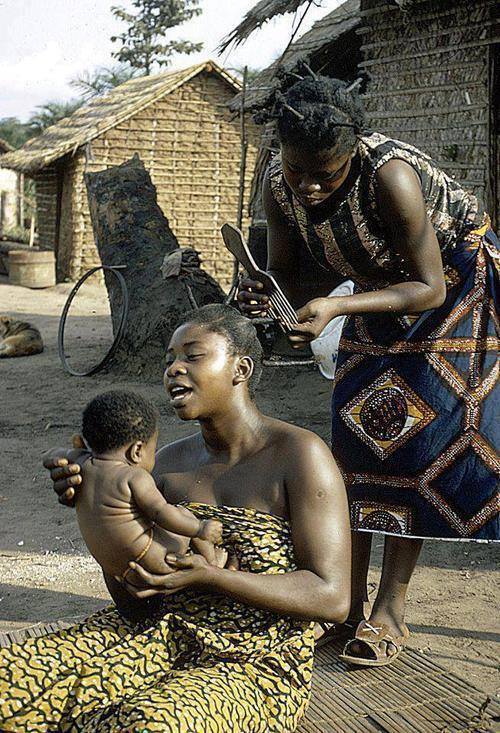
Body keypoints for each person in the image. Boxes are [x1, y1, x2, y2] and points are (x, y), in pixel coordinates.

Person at [238, 72, 499, 666]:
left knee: (415, 444)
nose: (306, 185)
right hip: (379, 291)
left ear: (352, 150)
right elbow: (295, 275)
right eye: (296, 169)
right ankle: (343, 603)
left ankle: (389, 611)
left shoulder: (391, 177)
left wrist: (337, 304)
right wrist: (270, 295)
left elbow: (429, 285)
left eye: (323, 174)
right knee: (357, 442)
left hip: (454, 290)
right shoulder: (280, 185)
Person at [0, 304, 351, 733]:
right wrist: (98, 518)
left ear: (241, 368)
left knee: (150, 723)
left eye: (192, 355)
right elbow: (135, 604)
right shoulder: (163, 465)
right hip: (152, 639)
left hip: (252, 663)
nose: (173, 369)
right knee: (10, 680)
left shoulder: (300, 455)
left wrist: (214, 578)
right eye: (169, 360)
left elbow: (332, 599)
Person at [76, 390, 224, 585]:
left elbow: (55, 454)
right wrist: (200, 528)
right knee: (182, 513)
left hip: (118, 569)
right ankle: (212, 563)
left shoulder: (83, 468)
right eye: (152, 449)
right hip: (154, 560)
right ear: (137, 451)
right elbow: (160, 512)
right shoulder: (133, 476)